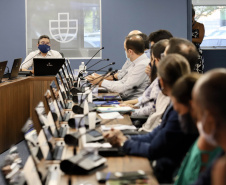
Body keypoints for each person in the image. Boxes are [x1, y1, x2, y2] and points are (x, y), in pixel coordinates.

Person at [104, 54, 197, 183]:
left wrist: (124, 142)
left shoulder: (180, 111)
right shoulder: (175, 104)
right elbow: (155, 135)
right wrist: (124, 137)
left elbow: (154, 150)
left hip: (163, 174)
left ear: (161, 81)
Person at [170, 73, 222, 185]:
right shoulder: (209, 147)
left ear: (209, 118)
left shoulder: (220, 166)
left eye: (197, 111)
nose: (194, 117)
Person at [190, 68, 226, 185]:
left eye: (198, 114)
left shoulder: (222, 168)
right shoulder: (221, 153)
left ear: (209, 118)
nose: (197, 121)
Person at [87, 34, 150, 100]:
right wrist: (101, 80)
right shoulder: (135, 62)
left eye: (125, 50)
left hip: (131, 104)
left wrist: (102, 82)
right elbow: (121, 82)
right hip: (124, 99)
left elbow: (124, 89)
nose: (125, 52)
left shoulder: (142, 65)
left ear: (130, 51)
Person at [122, 40, 170, 119]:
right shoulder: (158, 79)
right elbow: (146, 99)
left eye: (152, 59)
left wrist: (130, 111)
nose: (149, 64)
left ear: (158, 61)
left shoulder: (162, 81)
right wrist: (135, 107)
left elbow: (151, 109)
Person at [192, 6, 205, 73]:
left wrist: (188, 38)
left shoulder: (200, 25)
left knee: (198, 72)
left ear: (194, 16)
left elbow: (200, 40)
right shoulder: (184, 25)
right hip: (186, 51)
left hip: (197, 51)